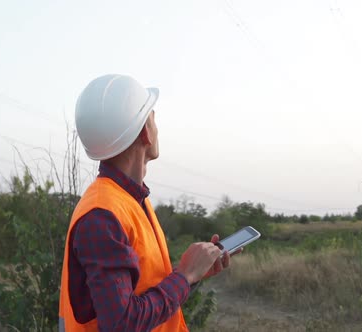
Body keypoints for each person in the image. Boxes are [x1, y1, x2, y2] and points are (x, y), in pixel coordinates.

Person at [58, 74, 233, 331]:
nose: (158, 127)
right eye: (153, 117)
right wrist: (184, 276)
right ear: (145, 133)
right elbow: (121, 323)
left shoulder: (129, 201)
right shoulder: (102, 217)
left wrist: (193, 273)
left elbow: (140, 290)